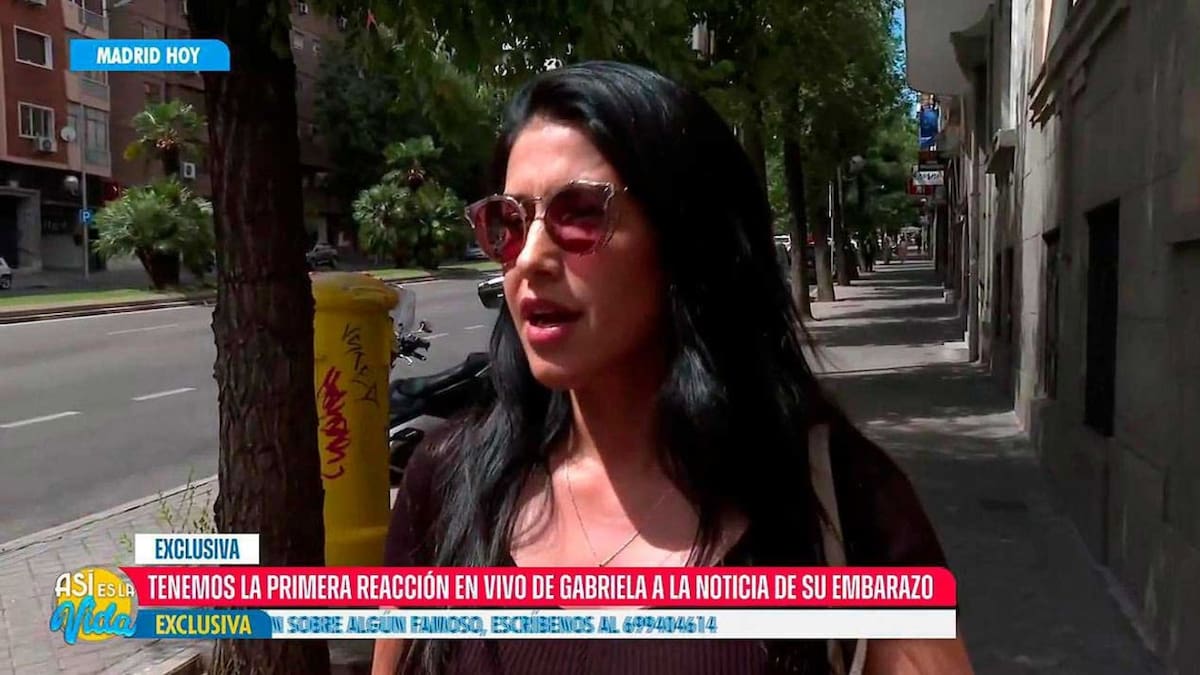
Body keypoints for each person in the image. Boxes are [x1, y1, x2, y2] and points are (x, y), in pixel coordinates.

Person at [373, 61, 973, 675]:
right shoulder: (445, 486)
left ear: (685, 240)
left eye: (580, 214)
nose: (529, 258)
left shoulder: (841, 497)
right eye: (509, 221)